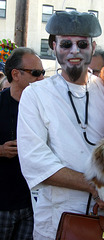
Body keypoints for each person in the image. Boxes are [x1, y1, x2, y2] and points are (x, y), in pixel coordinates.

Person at [17, 11, 104, 240]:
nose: (74, 51)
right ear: (53, 46)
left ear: (93, 47)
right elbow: (35, 161)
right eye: (66, 44)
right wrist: (94, 185)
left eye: (82, 43)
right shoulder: (36, 95)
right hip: (57, 218)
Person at [0, 47, 45, 240]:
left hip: (33, 204)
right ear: (16, 74)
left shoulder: (45, 107)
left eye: (43, 73)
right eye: (36, 73)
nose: (41, 78)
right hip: (2, 203)